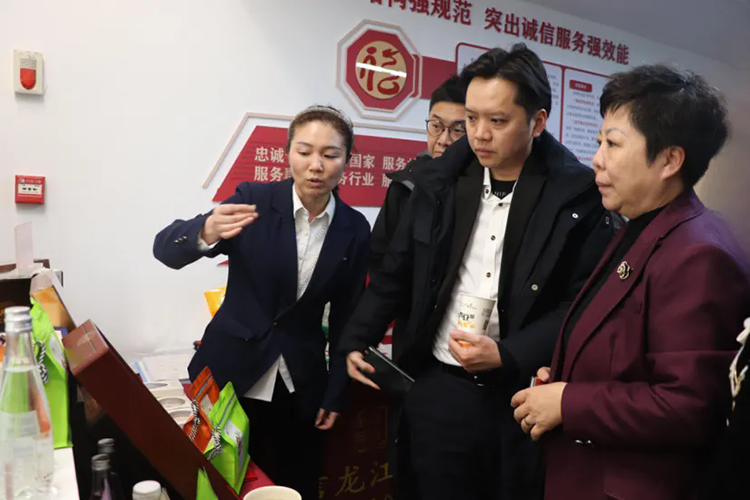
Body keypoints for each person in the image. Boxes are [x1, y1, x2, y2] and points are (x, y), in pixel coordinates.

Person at [340, 44, 614, 500]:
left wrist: (508, 354)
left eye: (498, 121)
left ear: (537, 122)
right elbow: (397, 270)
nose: (479, 134)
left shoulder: (576, 197)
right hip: (439, 384)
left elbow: (581, 302)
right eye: (471, 118)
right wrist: (357, 337)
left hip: (520, 395)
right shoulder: (440, 182)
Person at [510, 64, 750, 500]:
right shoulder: (639, 226)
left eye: (614, 144)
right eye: (599, 142)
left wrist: (569, 402)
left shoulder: (699, 255)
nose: (597, 158)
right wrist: (565, 377)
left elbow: (691, 406)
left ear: (670, 160)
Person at [153, 105, 370, 500]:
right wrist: (205, 229)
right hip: (229, 373)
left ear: (347, 161)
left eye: (330, 154)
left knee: (293, 486)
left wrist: (336, 391)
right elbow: (165, 250)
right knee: (215, 485)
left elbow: (347, 318)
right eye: (304, 152)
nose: (316, 165)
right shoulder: (253, 200)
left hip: (300, 386)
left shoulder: (354, 227)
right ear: (288, 154)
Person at [369, 74, 467, 271]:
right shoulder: (406, 184)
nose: (443, 140)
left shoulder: (483, 190)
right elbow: (380, 259)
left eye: (458, 130)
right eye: (436, 126)